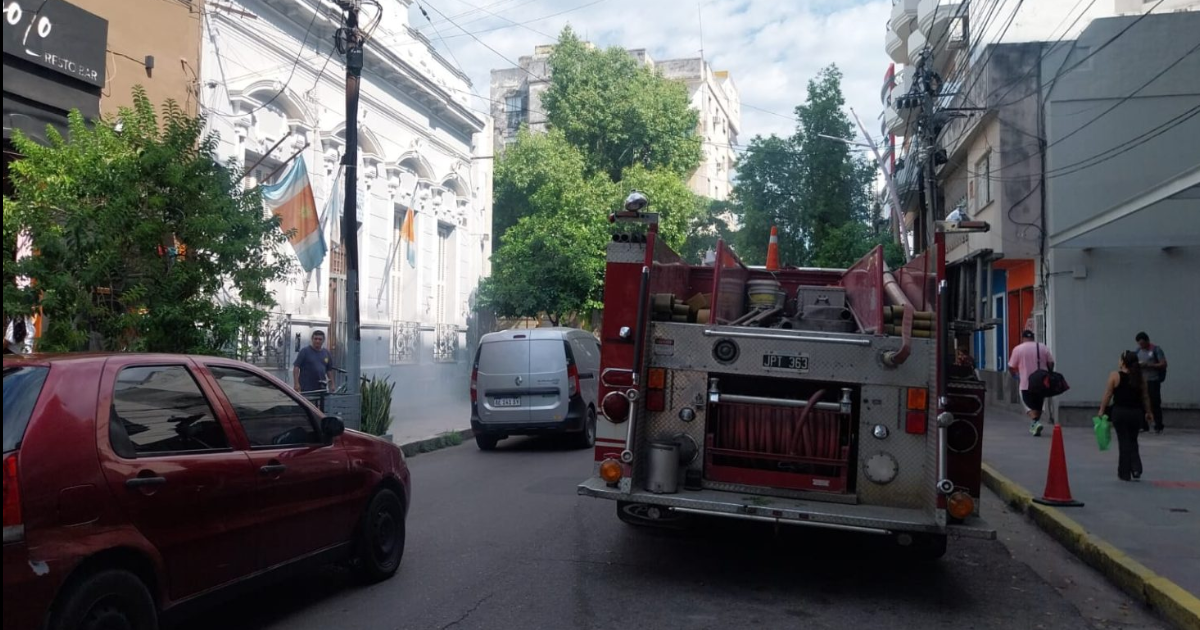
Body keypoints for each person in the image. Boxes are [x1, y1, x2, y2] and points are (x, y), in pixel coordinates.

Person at [1099, 351, 1154, 481]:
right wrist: (1148, 412)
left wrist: (1102, 410)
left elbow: (1108, 394)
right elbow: (1145, 396)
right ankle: (1136, 468)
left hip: (1120, 412)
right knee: (1133, 440)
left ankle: (1124, 472)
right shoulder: (1140, 377)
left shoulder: (1115, 376)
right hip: (1136, 413)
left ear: (1123, 362)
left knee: (1123, 441)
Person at [1008, 330, 1055, 437]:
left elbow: (1011, 366)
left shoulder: (1018, 349)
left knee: (1028, 405)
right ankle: (1035, 425)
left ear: (1023, 338)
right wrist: (1049, 372)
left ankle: (1035, 422)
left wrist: (1015, 375)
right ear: (1033, 338)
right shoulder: (1042, 347)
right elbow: (1051, 362)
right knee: (1038, 405)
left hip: (1026, 383)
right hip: (1041, 382)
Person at [1134, 332, 1167, 434]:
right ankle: (1143, 425)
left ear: (1147, 341)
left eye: (1143, 343)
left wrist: (1149, 365)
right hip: (1142, 381)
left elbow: (1163, 364)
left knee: (1154, 403)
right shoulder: (1138, 351)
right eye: (1139, 344)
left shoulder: (1156, 349)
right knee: (1141, 403)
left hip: (1153, 380)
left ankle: (1158, 425)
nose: (1141, 346)